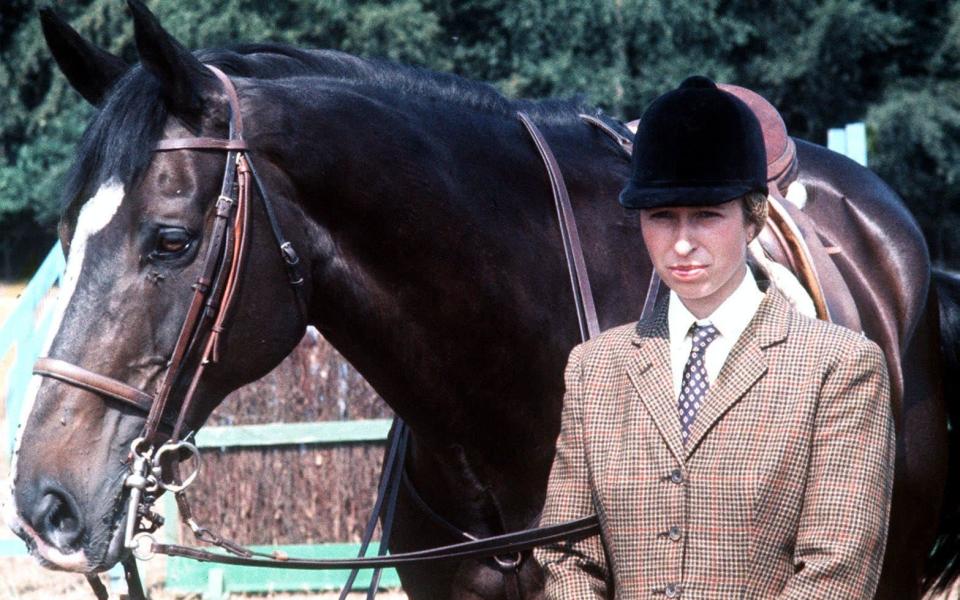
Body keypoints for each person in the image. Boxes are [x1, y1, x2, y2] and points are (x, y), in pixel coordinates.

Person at [534, 76, 895, 599]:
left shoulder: (840, 367)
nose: (682, 243)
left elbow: (837, 569)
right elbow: (567, 553)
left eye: (707, 215)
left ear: (751, 218)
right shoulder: (594, 368)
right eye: (662, 217)